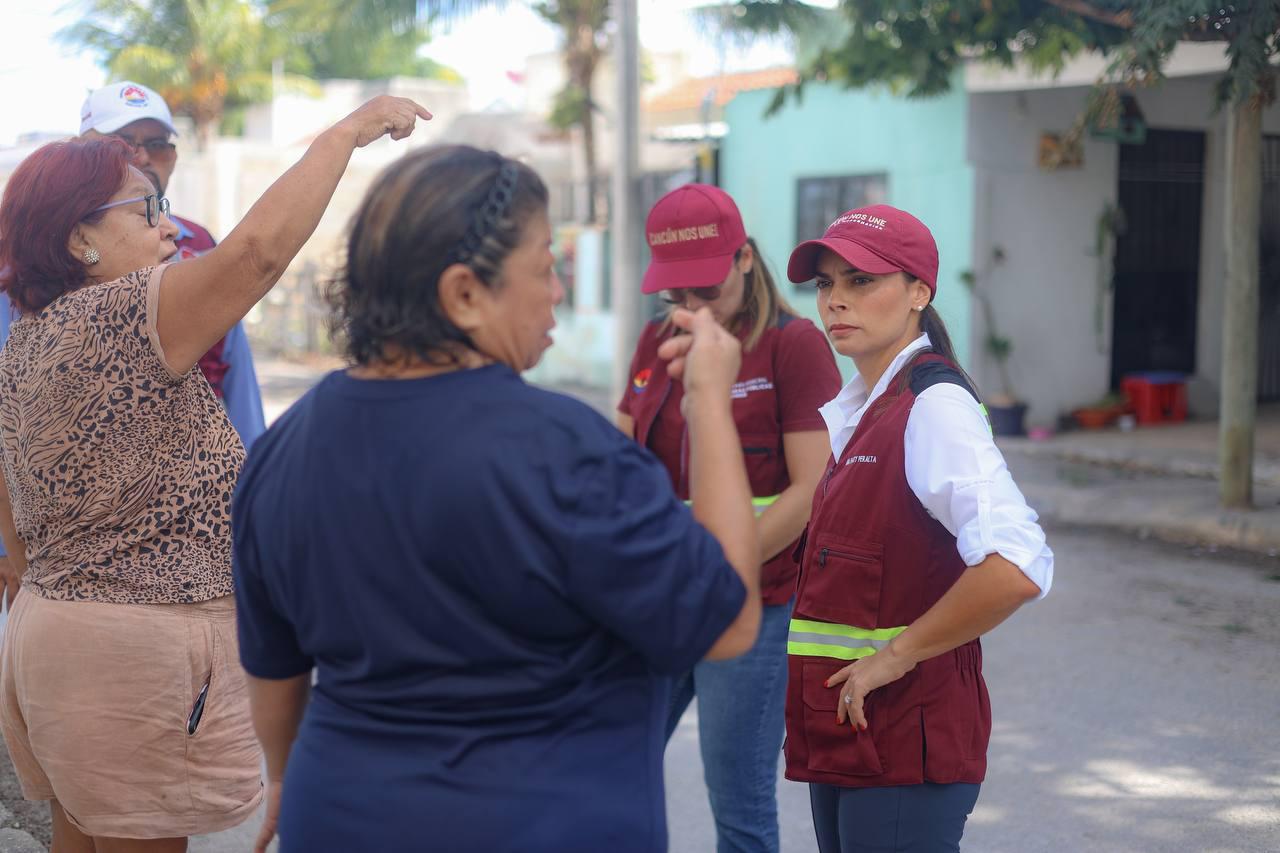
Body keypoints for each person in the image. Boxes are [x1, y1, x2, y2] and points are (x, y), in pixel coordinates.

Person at [230, 145, 764, 853]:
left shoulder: (281, 453)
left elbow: (275, 674)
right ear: (464, 294)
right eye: (544, 268)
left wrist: (284, 779)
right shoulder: (565, 451)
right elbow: (729, 621)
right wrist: (709, 403)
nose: (557, 292)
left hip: (339, 813)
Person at [0, 95, 429, 853]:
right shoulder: (123, 316)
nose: (169, 227)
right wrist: (344, 134)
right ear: (77, 238)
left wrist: (34, 575)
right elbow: (256, 255)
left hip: (58, 634)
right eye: (146, 209)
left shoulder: (30, 340)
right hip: (134, 653)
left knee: (81, 839)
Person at [780, 205, 1054, 853]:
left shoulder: (933, 405)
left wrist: (894, 657)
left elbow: (1016, 565)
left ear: (918, 293)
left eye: (861, 281)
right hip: (852, 734)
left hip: (906, 741)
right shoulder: (865, 407)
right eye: (825, 284)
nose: (836, 300)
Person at [616, 183, 840, 853]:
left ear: (744, 258)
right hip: (662, 601)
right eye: (676, 295)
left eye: (706, 291)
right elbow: (619, 464)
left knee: (739, 805)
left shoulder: (793, 347)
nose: (692, 309)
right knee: (609, 765)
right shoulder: (657, 341)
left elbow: (812, 489)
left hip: (755, 602)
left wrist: (715, 570)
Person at [80, 80, 266, 450]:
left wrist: (256, 466)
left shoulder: (199, 243)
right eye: (122, 143)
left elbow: (236, 370)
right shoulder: (42, 254)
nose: (142, 157)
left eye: (158, 144)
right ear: (80, 150)